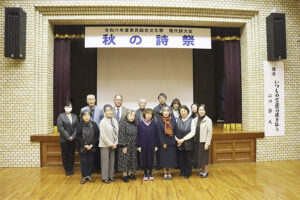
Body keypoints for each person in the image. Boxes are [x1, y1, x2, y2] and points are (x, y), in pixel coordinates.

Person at [178, 104, 212, 178]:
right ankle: (202, 171)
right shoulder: (196, 119)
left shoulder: (208, 120)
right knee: (200, 157)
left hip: (204, 141)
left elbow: (209, 133)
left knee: (205, 157)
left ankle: (206, 171)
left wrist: (207, 143)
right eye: (200, 110)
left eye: (203, 110)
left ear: (205, 111)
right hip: (197, 141)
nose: (201, 111)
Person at [81, 94, 104, 174]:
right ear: (87, 101)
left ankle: (97, 168)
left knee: (97, 152)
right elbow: (81, 121)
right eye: (89, 100)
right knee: (88, 152)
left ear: (95, 100)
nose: (91, 101)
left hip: (97, 133)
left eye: (92, 99)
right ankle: (90, 170)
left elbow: (102, 120)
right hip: (86, 134)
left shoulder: (100, 109)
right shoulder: (83, 109)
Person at [76, 110, 100, 184]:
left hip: (92, 147)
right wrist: (84, 145)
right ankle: (84, 176)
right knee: (83, 162)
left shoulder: (94, 125)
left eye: (88, 115)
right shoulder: (79, 125)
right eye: (85, 115)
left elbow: (96, 136)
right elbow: (78, 137)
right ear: (82, 117)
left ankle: (89, 175)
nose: (86, 117)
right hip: (82, 147)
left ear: (90, 116)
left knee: (90, 161)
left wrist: (92, 145)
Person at [57, 101, 78, 176]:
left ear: (72, 108)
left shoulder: (75, 116)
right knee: (65, 155)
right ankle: (67, 169)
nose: (68, 108)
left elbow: (77, 127)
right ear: (64, 108)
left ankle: (71, 169)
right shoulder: (61, 116)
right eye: (67, 107)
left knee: (71, 154)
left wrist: (73, 136)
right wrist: (68, 136)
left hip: (73, 139)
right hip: (64, 140)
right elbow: (60, 128)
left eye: (70, 107)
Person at [136, 108, 159, 181]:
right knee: (144, 159)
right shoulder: (140, 124)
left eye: (150, 114)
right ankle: (145, 173)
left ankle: (150, 173)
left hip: (151, 145)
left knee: (151, 159)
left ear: (152, 115)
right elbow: (138, 135)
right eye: (147, 114)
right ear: (144, 114)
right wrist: (138, 146)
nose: (148, 116)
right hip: (143, 145)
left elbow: (156, 135)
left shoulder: (154, 124)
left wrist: (156, 145)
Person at [99, 104, 119, 184]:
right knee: (105, 162)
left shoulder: (114, 120)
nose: (109, 112)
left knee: (112, 161)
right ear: (104, 112)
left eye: (110, 110)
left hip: (113, 144)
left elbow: (117, 132)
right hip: (105, 145)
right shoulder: (102, 121)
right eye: (107, 111)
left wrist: (115, 142)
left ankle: (111, 176)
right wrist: (110, 144)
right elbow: (103, 135)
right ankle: (105, 177)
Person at [156, 106, 177, 180]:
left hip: (171, 142)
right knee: (164, 158)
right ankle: (165, 172)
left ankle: (169, 172)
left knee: (171, 158)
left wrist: (174, 140)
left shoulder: (173, 120)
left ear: (169, 112)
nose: (166, 113)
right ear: (162, 112)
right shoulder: (159, 121)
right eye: (164, 111)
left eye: (167, 111)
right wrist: (163, 143)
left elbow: (175, 131)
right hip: (163, 143)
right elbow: (159, 133)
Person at [117, 110, 138, 183]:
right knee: (125, 160)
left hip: (133, 145)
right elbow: (121, 135)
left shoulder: (134, 124)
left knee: (131, 159)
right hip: (125, 145)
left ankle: (129, 174)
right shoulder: (123, 124)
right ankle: (124, 175)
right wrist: (124, 146)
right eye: (130, 115)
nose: (132, 117)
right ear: (127, 116)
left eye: (133, 116)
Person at [175, 105, 194, 178]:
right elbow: (174, 131)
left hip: (188, 143)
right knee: (181, 159)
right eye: (181, 111)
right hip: (179, 143)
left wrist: (182, 139)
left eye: (184, 111)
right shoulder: (177, 120)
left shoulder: (192, 120)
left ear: (187, 112)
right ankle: (182, 171)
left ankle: (188, 172)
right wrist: (177, 140)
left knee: (188, 159)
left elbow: (193, 132)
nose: (183, 113)